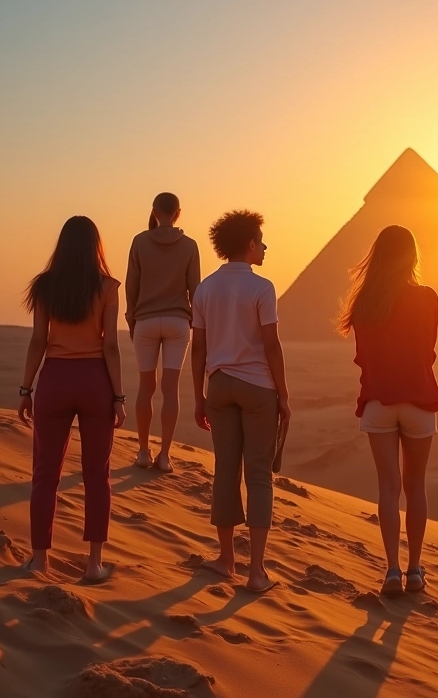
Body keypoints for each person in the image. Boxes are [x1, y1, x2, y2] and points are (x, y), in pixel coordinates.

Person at [337, 225, 438, 596]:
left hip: (378, 402)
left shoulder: (364, 301)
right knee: (416, 487)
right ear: (412, 257)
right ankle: (415, 569)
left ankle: (392, 571)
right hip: (418, 400)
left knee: (388, 488)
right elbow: (428, 350)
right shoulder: (428, 297)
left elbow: (362, 355)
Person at [18, 216, 125, 583]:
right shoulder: (109, 287)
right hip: (96, 380)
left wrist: (25, 388)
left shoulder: (45, 286)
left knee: (45, 474)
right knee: (98, 475)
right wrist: (119, 395)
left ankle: (38, 560)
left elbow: (38, 341)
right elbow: (110, 344)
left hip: (55, 380)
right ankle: (93, 564)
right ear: (96, 246)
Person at [191, 210, 290, 593]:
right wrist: (283, 394)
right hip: (257, 387)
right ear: (249, 244)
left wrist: (198, 396)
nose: (265, 246)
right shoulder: (262, 288)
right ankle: (256, 572)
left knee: (225, 471)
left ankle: (226, 559)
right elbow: (271, 345)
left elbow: (198, 348)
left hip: (219, 386)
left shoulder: (205, 289)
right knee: (259, 475)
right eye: (261, 240)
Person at [125, 192, 200, 472]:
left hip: (145, 320)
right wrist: (194, 320)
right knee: (171, 389)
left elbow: (131, 285)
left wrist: (131, 318)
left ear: (155, 212)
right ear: (178, 213)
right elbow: (196, 289)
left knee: (147, 387)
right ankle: (165, 456)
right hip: (177, 322)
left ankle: (143, 452)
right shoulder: (190, 246)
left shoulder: (139, 242)